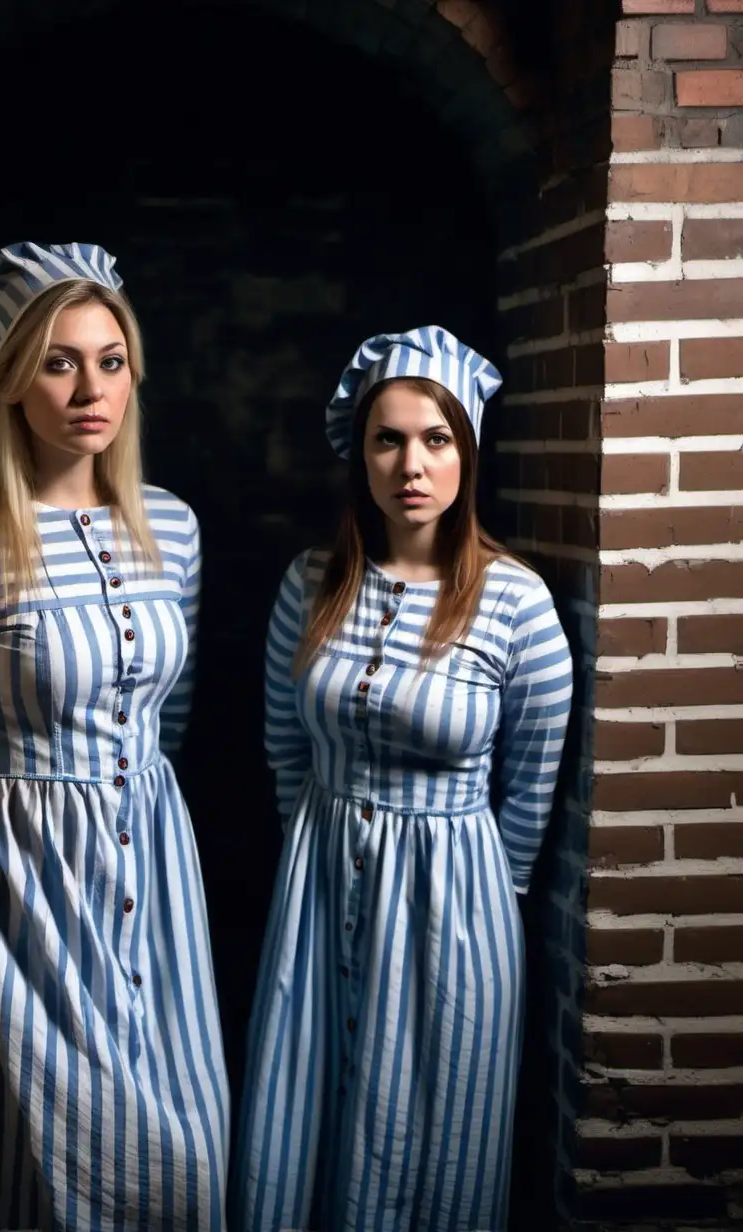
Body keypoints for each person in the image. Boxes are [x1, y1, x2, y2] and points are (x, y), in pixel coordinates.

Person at [0, 242, 229, 1231]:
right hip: (16, 894)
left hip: (155, 876)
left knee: (187, 1164)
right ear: (6, 380)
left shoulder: (173, 526)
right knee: (49, 1177)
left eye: (110, 360)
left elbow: (174, 709)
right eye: (59, 360)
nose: (90, 387)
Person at [231, 326, 573, 1231]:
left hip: (452, 902)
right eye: (389, 439)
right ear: (360, 454)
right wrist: (318, 840)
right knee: (311, 1105)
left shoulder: (516, 602)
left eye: (436, 439)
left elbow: (530, 788)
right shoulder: (311, 583)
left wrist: (479, 907)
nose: (411, 465)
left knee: (430, 1131)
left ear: (466, 451)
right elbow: (281, 741)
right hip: (319, 874)